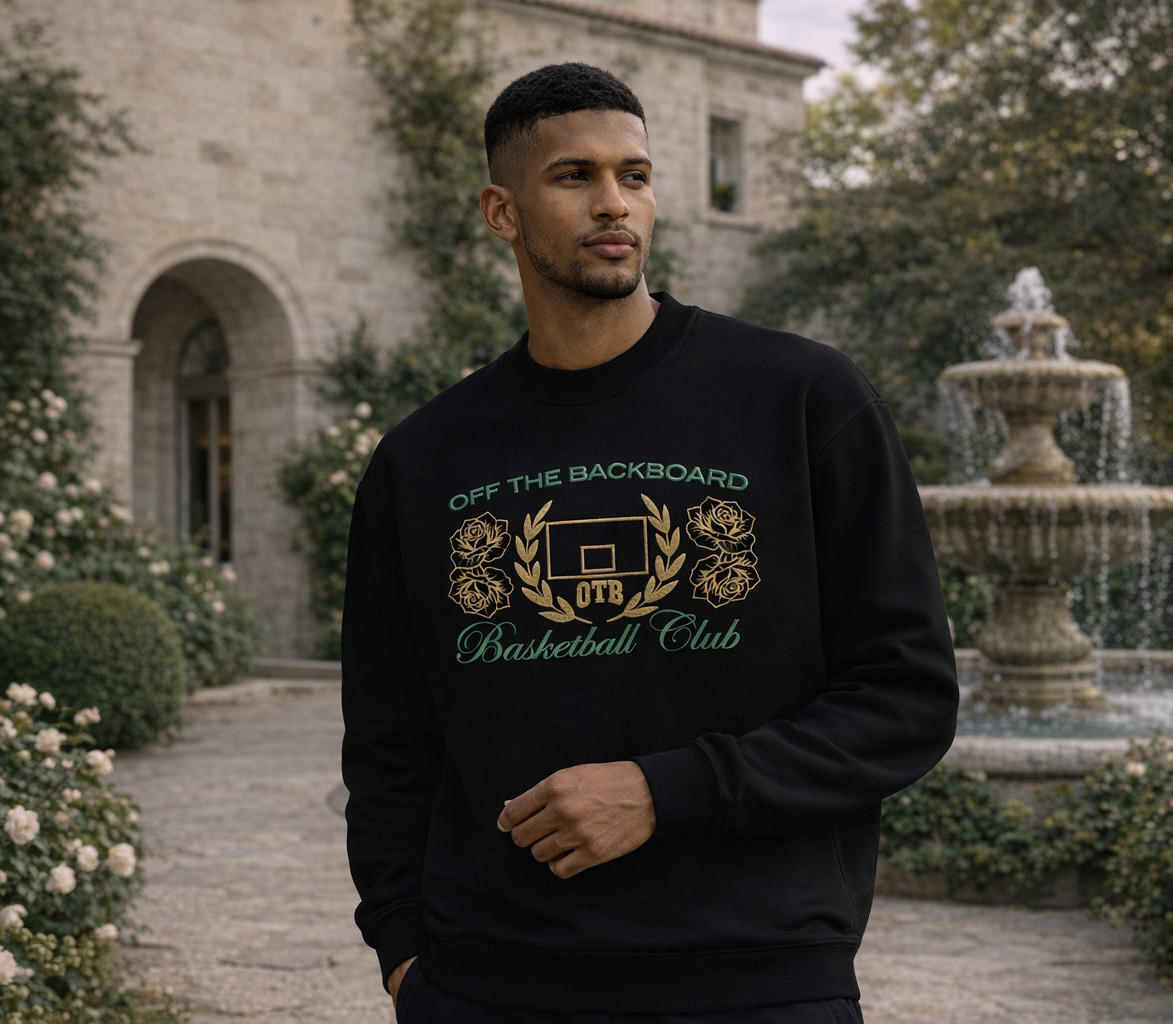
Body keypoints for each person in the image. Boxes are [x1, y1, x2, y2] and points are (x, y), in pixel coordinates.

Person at [341, 62, 959, 1023]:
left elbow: (906, 698)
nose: (613, 202)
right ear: (501, 212)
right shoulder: (425, 460)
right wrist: (406, 959)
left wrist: (669, 790)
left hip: (756, 981)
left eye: (635, 174)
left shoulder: (800, 400)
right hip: (493, 983)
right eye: (574, 176)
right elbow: (390, 743)